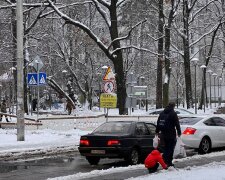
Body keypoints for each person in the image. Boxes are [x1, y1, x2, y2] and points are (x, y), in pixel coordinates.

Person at [155, 102, 181, 167]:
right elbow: (177, 124)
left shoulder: (162, 113)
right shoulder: (173, 113)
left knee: (165, 147)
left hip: (163, 134)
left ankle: (165, 159)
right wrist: (179, 132)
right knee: (170, 148)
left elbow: (158, 122)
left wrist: (157, 131)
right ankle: (168, 161)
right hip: (171, 133)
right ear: (173, 106)